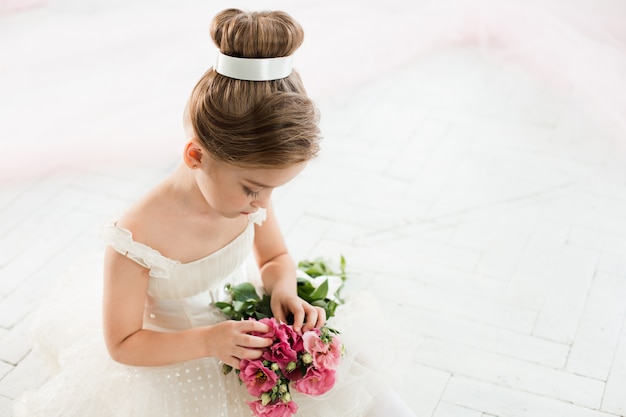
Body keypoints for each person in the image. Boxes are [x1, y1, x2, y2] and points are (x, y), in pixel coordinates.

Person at [14, 8, 416, 417]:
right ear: (195, 155)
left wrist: (283, 290)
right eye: (253, 189)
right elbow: (123, 344)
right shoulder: (134, 237)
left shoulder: (250, 201)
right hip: (174, 355)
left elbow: (275, 257)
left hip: (242, 332)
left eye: (272, 191)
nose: (261, 204)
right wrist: (209, 342)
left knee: (366, 394)